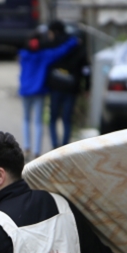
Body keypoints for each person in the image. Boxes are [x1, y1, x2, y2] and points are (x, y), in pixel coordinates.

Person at [18, 31, 78, 160]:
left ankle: (27, 147)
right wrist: (73, 41)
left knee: (26, 119)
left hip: (25, 90)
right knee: (38, 122)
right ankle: (37, 152)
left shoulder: (23, 55)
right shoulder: (44, 55)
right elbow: (61, 51)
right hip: (39, 92)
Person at [44, 20, 88, 149]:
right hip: (72, 87)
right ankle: (65, 147)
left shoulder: (52, 45)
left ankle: (54, 146)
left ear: (55, 32)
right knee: (67, 119)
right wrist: (87, 87)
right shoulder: (77, 44)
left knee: (53, 118)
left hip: (56, 87)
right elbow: (85, 68)